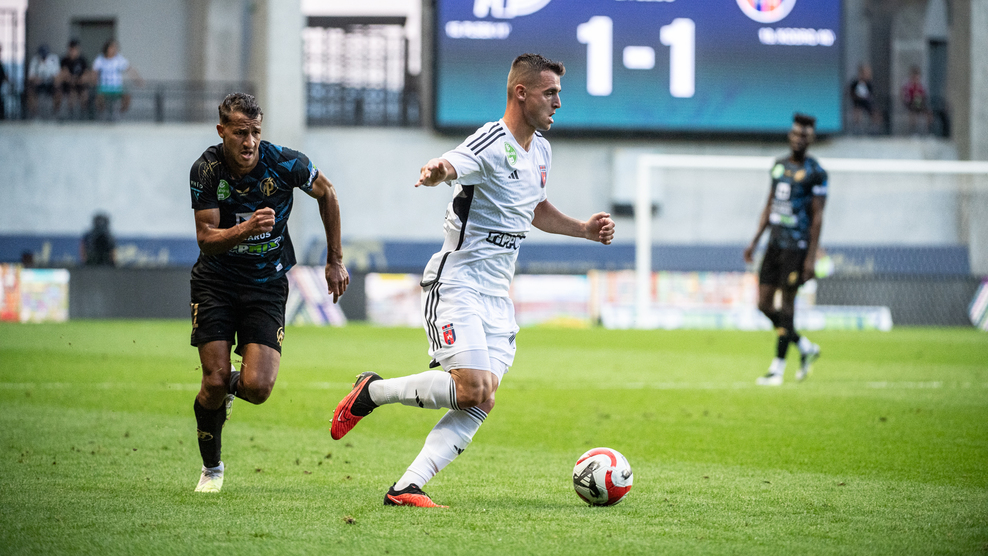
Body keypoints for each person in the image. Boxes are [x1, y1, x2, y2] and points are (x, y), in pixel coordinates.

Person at [329, 53, 616, 507]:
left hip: (497, 296)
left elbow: (534, 206)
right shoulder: (491, 140)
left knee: (482, 399)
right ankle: (373, 392)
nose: (558, 102)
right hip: (457, 283)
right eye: (550, 93)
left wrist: (583, 229)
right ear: (521, 93)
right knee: (472, 387)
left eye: (558, 93)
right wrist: (437, 171)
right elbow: (452, 163)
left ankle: (406, 487)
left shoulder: (541, 150)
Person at [188, 92, 349, 493]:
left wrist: (334, 260)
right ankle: (212, 468)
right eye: (240, 133)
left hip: (267, 284)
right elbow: (206, 238)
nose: (249, 142)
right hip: (216, 282)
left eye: (255, 132)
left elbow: (328, 193)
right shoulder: (206, 170)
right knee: (213, 381)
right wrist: (246, 228)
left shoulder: (285, 163)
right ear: (222, 130)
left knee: (258, 389)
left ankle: (228, 388)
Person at [743, 113, 826, 386]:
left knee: (787, 305)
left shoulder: (816, 173)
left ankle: (777, 369)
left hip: (796, 247)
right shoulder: (778, 166)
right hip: (774, 243)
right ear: (790, 135)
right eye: (796, 133)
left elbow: (817, 217)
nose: (799, 139)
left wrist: (810, 258)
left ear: (811, 139)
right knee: (764, 304)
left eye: (805, 135)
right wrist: (755, 240)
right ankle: (803, 346)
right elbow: (770, 204)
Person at [92, 39, 142, 120]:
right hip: (104, 87)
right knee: (98, 98)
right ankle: (103, 115)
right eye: (112, 47)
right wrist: (94, 81)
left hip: (116, 87)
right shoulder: (100, 59)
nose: (115, 50)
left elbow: (130, 69)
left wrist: (138, 80)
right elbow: (94, 72)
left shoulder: (119, 59)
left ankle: (119, 114)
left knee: (127, 96)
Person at [55, 39, 92, 120]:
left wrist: (78, 80)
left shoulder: (82, 60)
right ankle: (65, 115)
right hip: (68, 85)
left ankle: (83, 115)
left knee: (84, 94)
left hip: (80, 84)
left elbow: (86, 74)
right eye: (71, 50)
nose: (73, 52)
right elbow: (64, 73)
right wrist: (71, 79)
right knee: (68, 93)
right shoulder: (64, 60)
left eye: (75, 49)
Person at [26, 44, 60, 118]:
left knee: (58, 89)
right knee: (30, 90)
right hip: (38, 84)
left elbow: (57, 76)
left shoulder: (53, 59)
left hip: (50, 84)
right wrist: (36, 79)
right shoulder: (35, 60)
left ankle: (55, 114)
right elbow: (30, 77)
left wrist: (50, 79)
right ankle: (34, 115)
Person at [848, 63, 878, 134]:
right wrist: (856, 96)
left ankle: (874, 126)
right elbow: (851, 92)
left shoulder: (868, 83)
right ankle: (856, 126)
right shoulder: (855, 82)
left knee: (874, 111)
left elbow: (870, 94)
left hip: (866, 101)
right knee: (857, 110)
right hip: (857, 101)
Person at [901, 65, 931, 134]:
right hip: (910, 102)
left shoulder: (922, 84)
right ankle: (913, 131)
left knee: (929, 113)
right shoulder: (907, 84)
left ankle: (928, 131)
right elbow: (904, 95)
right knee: (913, 112)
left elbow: (925, 95)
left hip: (919, 102)